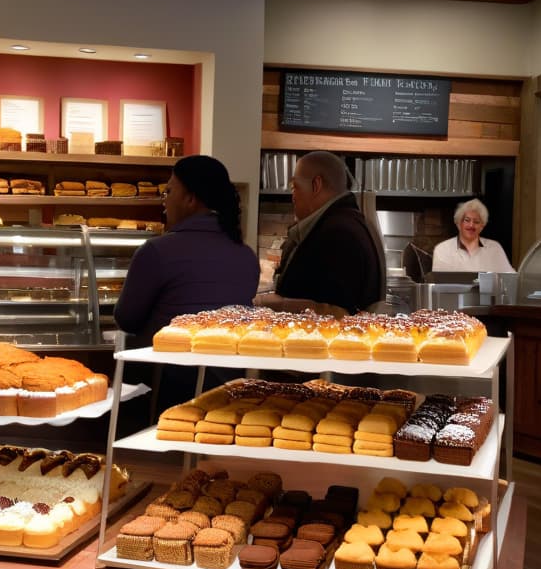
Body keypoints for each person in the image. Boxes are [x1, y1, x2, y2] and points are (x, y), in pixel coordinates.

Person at [114, 154, 259, 422]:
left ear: (190, 199)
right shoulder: (246, 255)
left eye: (169, 191)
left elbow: (127, 319)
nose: (165, 200)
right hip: (231, 392)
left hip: (169, 392)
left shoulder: (156, 252)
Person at [256, 150, 384, 316]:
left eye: (295, 187)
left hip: (324, 341)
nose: (292, 196)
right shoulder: (348, 223)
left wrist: (276, 304)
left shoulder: (339, 234)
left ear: (316, 185)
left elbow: (339, 313)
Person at [431, 198, 514, 273]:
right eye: (467, 220)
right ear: (459, 223)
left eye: (476, 222)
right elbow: (439, 285)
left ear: (482, 226)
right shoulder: (442, 250)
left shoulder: (495, 248)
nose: (471, 225)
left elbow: (510, 277)